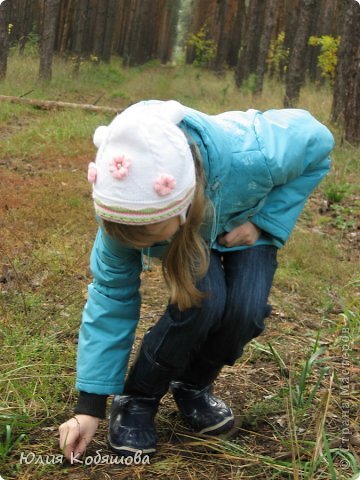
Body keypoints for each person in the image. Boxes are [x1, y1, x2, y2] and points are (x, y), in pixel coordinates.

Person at [58, 100, 334, 460]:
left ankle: (192, 385)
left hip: (243, 219)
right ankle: (139, 396)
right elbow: (111, 297)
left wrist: (265, 221)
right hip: (191, 232)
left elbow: (320, 143)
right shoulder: (122, 216)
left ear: (183, 203)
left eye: (154, 238)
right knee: (201, 302)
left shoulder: (257, 153)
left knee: (244, 312)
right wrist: (89, 406)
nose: (146, 246)